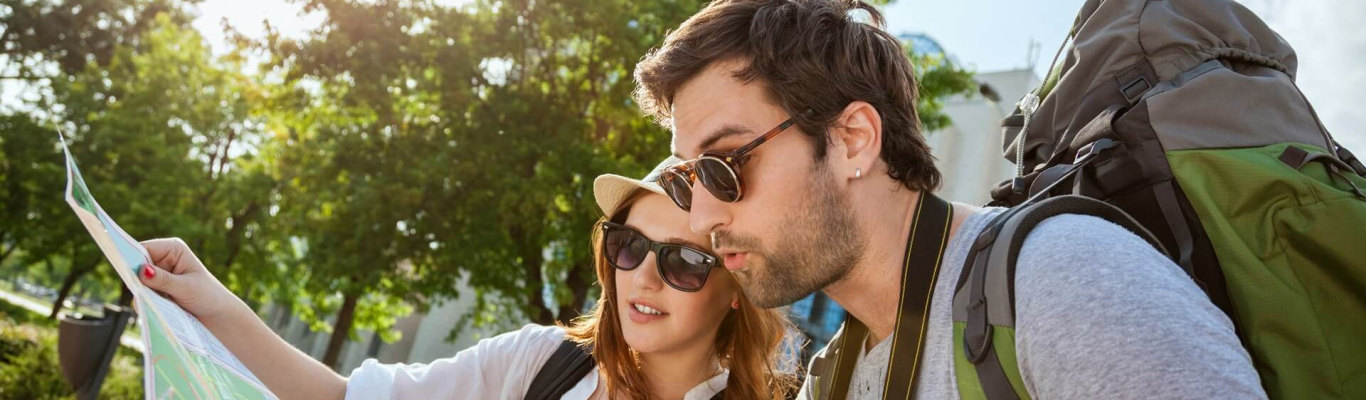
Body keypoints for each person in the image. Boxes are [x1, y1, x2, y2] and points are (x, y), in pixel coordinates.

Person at [630, 0, 1266, 399]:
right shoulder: (831, 377)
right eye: (687, 180)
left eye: (724, 165)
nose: (701, 217)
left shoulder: (1062, 280)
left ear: (853, 139)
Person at [136, 159, 799, 400]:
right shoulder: (542, 362)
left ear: (736, 290)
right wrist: (211, 299)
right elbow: (347, 399)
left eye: (684, 262)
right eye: (630, 246)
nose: (644, 278)